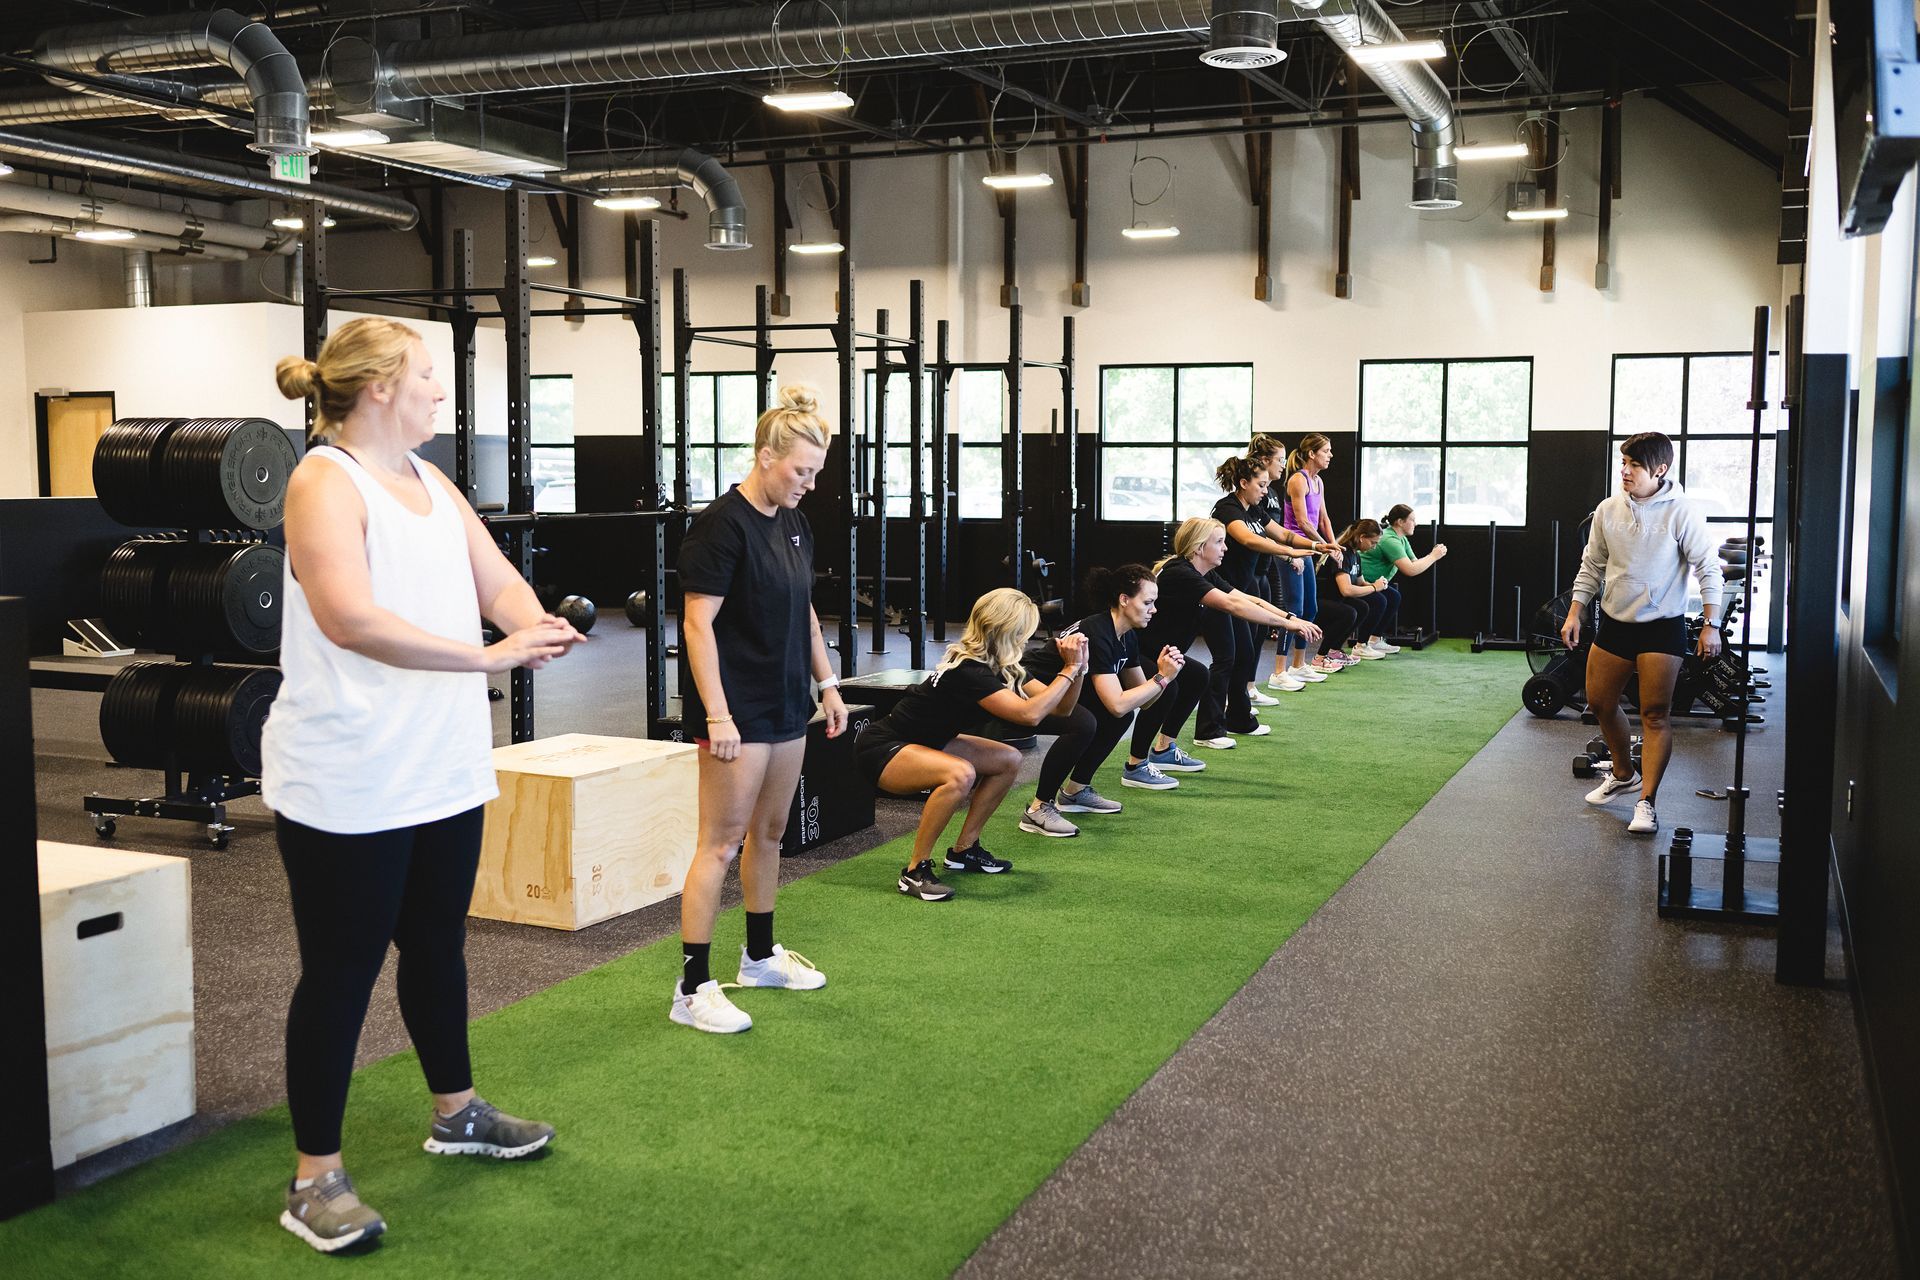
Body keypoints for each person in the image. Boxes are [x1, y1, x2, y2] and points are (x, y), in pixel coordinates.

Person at [267, 317, 584, 1253]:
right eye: (428, 378)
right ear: (377, 389)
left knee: (437, 946)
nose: (440, 394)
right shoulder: (323, 481)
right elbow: (351, 618)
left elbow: (498, 583)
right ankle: (313, 1179)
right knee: (341, 974)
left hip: (441, 769)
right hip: (347, 776)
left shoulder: (431, 481)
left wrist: (535, 627)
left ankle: (457, 1114)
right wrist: (492, 655)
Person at [673, 385, 848, 1035]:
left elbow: (803, 610)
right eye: (801, 471)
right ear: (764, 456)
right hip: (737, 710)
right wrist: (717, 715)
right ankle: (691, 987)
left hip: (786, 703)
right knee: (719, 845)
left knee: (771, 836)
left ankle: (758, 956)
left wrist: (827, 682)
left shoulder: (795, 523)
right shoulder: (721, 526)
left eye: (816, 473)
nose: (808, 483)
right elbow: (697, 625)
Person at [852, 588, 1090, 898]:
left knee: (1008, 760)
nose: (1025, 640)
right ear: (1008, 631)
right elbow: (1030, 715)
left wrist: (1079, 667)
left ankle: (964, 850)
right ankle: (914, 871)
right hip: (884, 748)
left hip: (929, 742)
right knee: (960, 774)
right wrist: (1068, 669)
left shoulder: (1002, 666)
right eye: (1023, 633)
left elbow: (1062, 709)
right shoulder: (970, 670)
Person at [1560, 431, 1724, 837]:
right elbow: (1591, 565)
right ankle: (1622, 771)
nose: (1625, 471)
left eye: (1634, 464)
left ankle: (1646, 802)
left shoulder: (1681, 512)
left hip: (1662, 627)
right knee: (1599, 702)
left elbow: (1708, 567)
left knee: (1654, 714)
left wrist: (1711, 623)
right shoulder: (1608, 509)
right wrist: (1575, 611)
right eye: (1624, 463)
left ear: (1660, 469)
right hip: (1616, 623)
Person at [1129, 518, 1321, 771]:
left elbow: (1247, 599)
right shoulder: (1180, 573)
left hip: (1163, 654)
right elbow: (1233, 606)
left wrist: (1289, 617)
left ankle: (1164, 748)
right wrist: (1286, 624)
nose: (1225, 548)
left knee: (1197, 676)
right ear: (1199, 548)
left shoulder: (1201, 573)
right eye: (1219, 542)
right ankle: (1136, 765)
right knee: (1168, 688)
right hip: (1137, 652)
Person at [1017, 564, 1187, 837]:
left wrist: (1164, 675)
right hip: (1028, 684)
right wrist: (1161, 679)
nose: (1153, 610)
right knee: (1083, 723)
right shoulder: (1098, 633)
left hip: (1067, 687)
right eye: (1147, 602)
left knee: (1117, 717)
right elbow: (1117, 702)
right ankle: (1038, 809)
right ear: (1124, 599)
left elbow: (1142, 702)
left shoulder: (1126, 635)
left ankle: (1075, 791)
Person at [1207, 456, 1320, 740]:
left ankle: (1235, 716)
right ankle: (1217, 724)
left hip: (1244, 590)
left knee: (1244, 653)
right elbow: (1247, 539)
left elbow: (1283, 533)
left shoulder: (1255, 509)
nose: (1264, 490)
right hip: (1222, 590)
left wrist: (1317, 544)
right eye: (1260, 484)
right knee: (1230, 657)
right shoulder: (1227, 508)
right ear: (1243, 483)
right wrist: (1288, 553)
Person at [1275, 433, 1343, 687]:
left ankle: (1299, 665)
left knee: (1310, 609)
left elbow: (1323, 519)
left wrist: (1333, 543)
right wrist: (1324, 546)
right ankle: (1279, 671)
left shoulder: (1318, 482)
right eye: (1326, 450)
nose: (1330, 455)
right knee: (1294, 610)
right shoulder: (1297, 480)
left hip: (1309, 551)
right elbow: (1302, 522)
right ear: (1312, 453)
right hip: (1292, 551)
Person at [1356, 503, 1448, 654]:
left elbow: (1414, 563)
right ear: (1400, 522)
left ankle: (1374, 640)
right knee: (1383, 599)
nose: (1415, 524)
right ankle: (1361, 645)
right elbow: (1410, 570)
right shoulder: (1389, 540)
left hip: (1377, 583)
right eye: (1412, 520)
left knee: (1393, 597)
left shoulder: (1401, 539)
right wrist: (1433, 556)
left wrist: (1433, 556)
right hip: (1361, 582)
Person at [1318, 520, 1395, 663]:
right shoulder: (1343, 553)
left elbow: (1360, 582)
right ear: (1361, 537)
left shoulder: (1356, 555)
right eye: (1373, 543)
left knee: (1375, 601)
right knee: (1351, 611)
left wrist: (1377, 585)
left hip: (1337, 598)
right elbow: (1346, 590)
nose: (1374, 547)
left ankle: (1337, 649)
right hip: (1322, 600)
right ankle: (1322, 655)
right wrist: (1374, 587)